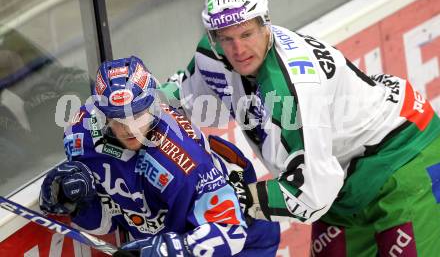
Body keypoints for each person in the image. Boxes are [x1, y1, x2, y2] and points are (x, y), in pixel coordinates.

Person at [159, 0, 440, 256]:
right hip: (340, 180)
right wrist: (136, 105)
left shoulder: (293, 91)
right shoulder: (214, 55)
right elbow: (185, 95)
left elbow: (313, 194)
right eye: (227, 38)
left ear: (265, 24)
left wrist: (243, 196)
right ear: (214, 37)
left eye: (247, 34)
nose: (238, 50)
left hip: (401, 156)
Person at [39, 56, 280, 257]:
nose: (130, 128)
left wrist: (164, 250)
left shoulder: (183, 158)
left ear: (154, 104)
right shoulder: (80, 137)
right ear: (101, 115)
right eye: (118, 118)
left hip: (243, 243)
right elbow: (107, 223)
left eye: (137, 114)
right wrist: (80, 202)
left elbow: (231, 232)